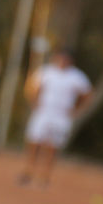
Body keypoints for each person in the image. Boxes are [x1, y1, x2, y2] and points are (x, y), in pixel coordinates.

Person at [18, 49, 91, 188]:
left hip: (61, 116)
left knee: (53, 145)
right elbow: (31, 86)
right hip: (44, 112)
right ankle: (28, 171)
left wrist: (76, 110)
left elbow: (87, 94)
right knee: (34, 141)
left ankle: (45, 176)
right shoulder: (46, 72)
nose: (63, 62)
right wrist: (34, 102)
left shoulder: (76, 76)